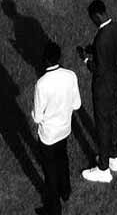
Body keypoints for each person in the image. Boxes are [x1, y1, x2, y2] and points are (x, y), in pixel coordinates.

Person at [32, 42, 82, 215]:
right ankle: (65, 191)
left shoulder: (41, 84)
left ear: (45, 59)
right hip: (65, 129)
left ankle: (54, 209)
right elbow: (77, 104)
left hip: (48, 135)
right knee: (63, 158)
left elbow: (38, 117)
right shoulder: (71, 76)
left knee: (50, 170)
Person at [81, 0, 117, 184]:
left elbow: (97, 69)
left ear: (97, 15)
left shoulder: (100, 38)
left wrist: (85, 59)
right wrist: (97, 52)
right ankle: (114, 157)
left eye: (93, 19)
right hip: (114, 79)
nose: (93, 22)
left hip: (102, 86)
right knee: (113, 117)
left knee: (102, 124)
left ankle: (103, 168)